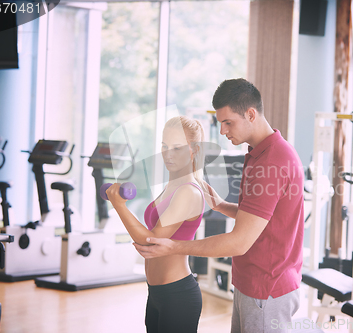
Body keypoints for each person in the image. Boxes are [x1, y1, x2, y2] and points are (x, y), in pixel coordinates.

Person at [133, 78, 305, 333]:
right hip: (251, 283)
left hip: (266, 290)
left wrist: (174, 247)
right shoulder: (259, 154)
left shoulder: (272, 161)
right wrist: (222, 205)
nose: (223, 131)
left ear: (250, 114)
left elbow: (239, 242)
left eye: (228, 122)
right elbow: (259, 219)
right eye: (220, 123)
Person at [106, 116, 205, 333]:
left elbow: (152, 241)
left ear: (194, 150)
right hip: (156, 292)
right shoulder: (171, 186)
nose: (168, 154)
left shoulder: (188, 191)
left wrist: (120, 206)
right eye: (164, 146)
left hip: (178, 295)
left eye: (177, 148)